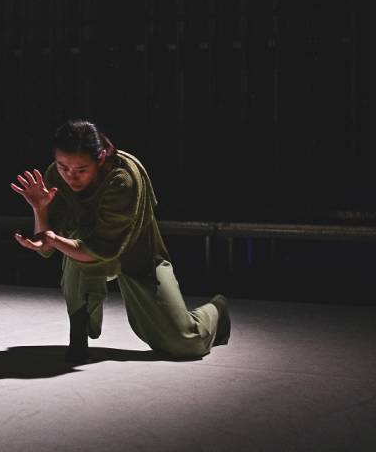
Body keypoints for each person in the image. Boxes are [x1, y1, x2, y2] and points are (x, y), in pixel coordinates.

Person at [12, 119, 229, 363]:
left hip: (136, 253)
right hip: (83, 249)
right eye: (63, 166)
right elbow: (47, 247)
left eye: (81, 170)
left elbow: (99, 249)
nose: (70, 176)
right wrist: (40, 210)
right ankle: (79, 333)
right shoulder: (56, 175)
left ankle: (216, 312)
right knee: (72, 243)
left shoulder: (123, 178)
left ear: (101, 157)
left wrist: (53, 240)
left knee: (185, 343)